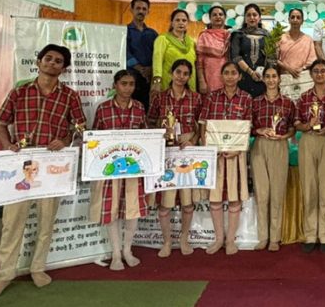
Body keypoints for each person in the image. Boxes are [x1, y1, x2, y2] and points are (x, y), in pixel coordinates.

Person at [0, 44, 86, 300]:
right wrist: (8, 146)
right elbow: (2, 124)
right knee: (12, 224)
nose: (52, 63)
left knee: (46, 220)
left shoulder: (70, 96)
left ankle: (37, 268)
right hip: (21, 166)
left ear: (64, 68)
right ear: (39, 61)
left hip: (51, 168)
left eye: (58, 61)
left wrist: (64, 139)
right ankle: (4, 276)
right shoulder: (20, 91)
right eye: (48, 58)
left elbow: (79, 127)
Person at [90, 70, 148, 270]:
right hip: (110, 170)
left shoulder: (140, 108)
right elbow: (94, 138)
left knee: (132, 211)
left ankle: (127, 250)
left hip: (133, 168)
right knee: (111, 211)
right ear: (115, 85)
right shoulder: (103, 109)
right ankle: (115, 253)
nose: (128, 88)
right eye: (124, 83)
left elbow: (145, 136)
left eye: (131, 84)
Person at [147, 59, 203, 258]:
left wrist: (193, 139)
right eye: (178, 72)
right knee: (165, 203)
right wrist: (160, 133)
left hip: (187, 152)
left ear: (189, 76)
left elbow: (200, 125)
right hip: (166, 153)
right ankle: (167, 241)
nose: (181, 76)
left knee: (187, 202)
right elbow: (150, 121)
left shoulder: (196, 98)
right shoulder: (160, 98)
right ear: (172, 73)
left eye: (186, 73)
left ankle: (184, 239)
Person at [198, 62, 253, 255]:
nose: (230, 76)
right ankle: (218, 238)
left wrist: (237, 150)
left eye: (233, 73)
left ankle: (230, 240)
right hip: (215, 154)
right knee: (215, 199)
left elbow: (248, 126)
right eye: (226, 73)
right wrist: (208, 147)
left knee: (234, 198)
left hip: (236, 155)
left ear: (239, 76)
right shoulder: (212, 97)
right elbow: (203, 123)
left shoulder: (246, 98)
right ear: (221, 76)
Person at [294, 59, 325, 253]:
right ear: (311, 74)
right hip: (308, 140)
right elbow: (296, 123)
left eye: (323, 71)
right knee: (310, 188)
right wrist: (307, 125)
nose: (319, 74)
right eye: (316, 71)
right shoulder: (304, 97)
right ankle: (310, 234)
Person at [250, 66, 296, 251]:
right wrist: (259, 130)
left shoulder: (288, 103)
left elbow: (293, 127)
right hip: (260, 146)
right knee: (262, 193)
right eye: (267, 76)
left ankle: (275, 238)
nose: (270, 80)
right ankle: (263, 237)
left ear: (279, 79)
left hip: (280, 146)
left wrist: (284, 136)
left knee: (276, 193)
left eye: (274, 76)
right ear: (263, 79)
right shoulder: (255, 102)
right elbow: (249, 125)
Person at [152, 9, 197, 95]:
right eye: (177, 20)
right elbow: (157, 61)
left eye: (184, 20)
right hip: (168, 81)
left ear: (187, 23)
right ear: (172, 22)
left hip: (189, 83)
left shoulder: (191, 42)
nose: (181, 23)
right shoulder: (163, 39)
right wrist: (157, 81)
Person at [230, 3, 268, 98]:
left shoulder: (267, 35)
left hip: (262, 77)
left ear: (259, 17)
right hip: (243, 76)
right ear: (245, 18)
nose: (252, 17)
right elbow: (236, 56)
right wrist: (251, 72)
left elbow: (270, 57)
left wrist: (265, 74)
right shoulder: (238, 34)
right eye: (248, 15)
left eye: (255, 15)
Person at [126, 0, 158, 111]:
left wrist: (151, 69)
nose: (141, 11)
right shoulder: (124, 31)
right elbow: (125, 52)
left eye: (144, 9)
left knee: (147, 110)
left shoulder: (153, 34)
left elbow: (157, 54)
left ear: (148, 11)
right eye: (138, 8)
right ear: (132, 9)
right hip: (130, 79)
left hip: (149, 79)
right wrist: (140, 68)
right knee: (131, 109)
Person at [196, 5, 230, 94]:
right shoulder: (204, 35)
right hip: (209, 75)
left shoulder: (230, 36)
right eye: (214, 15)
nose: (218, 16)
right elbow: (199, 61)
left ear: (225, 17)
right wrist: (201, 81)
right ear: (210, 18)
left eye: (220, 14)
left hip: (228, 75)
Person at [277, 8, 317, 78]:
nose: (295, 20)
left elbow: (312, 60)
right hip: (285, 76)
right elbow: (274, 59)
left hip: (303, 76)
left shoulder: (308, 39)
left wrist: (302, 69)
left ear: (302, 21)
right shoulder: (280, 38)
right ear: (289, 20)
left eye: (298, 17)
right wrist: (288, 68)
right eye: (292, 17)